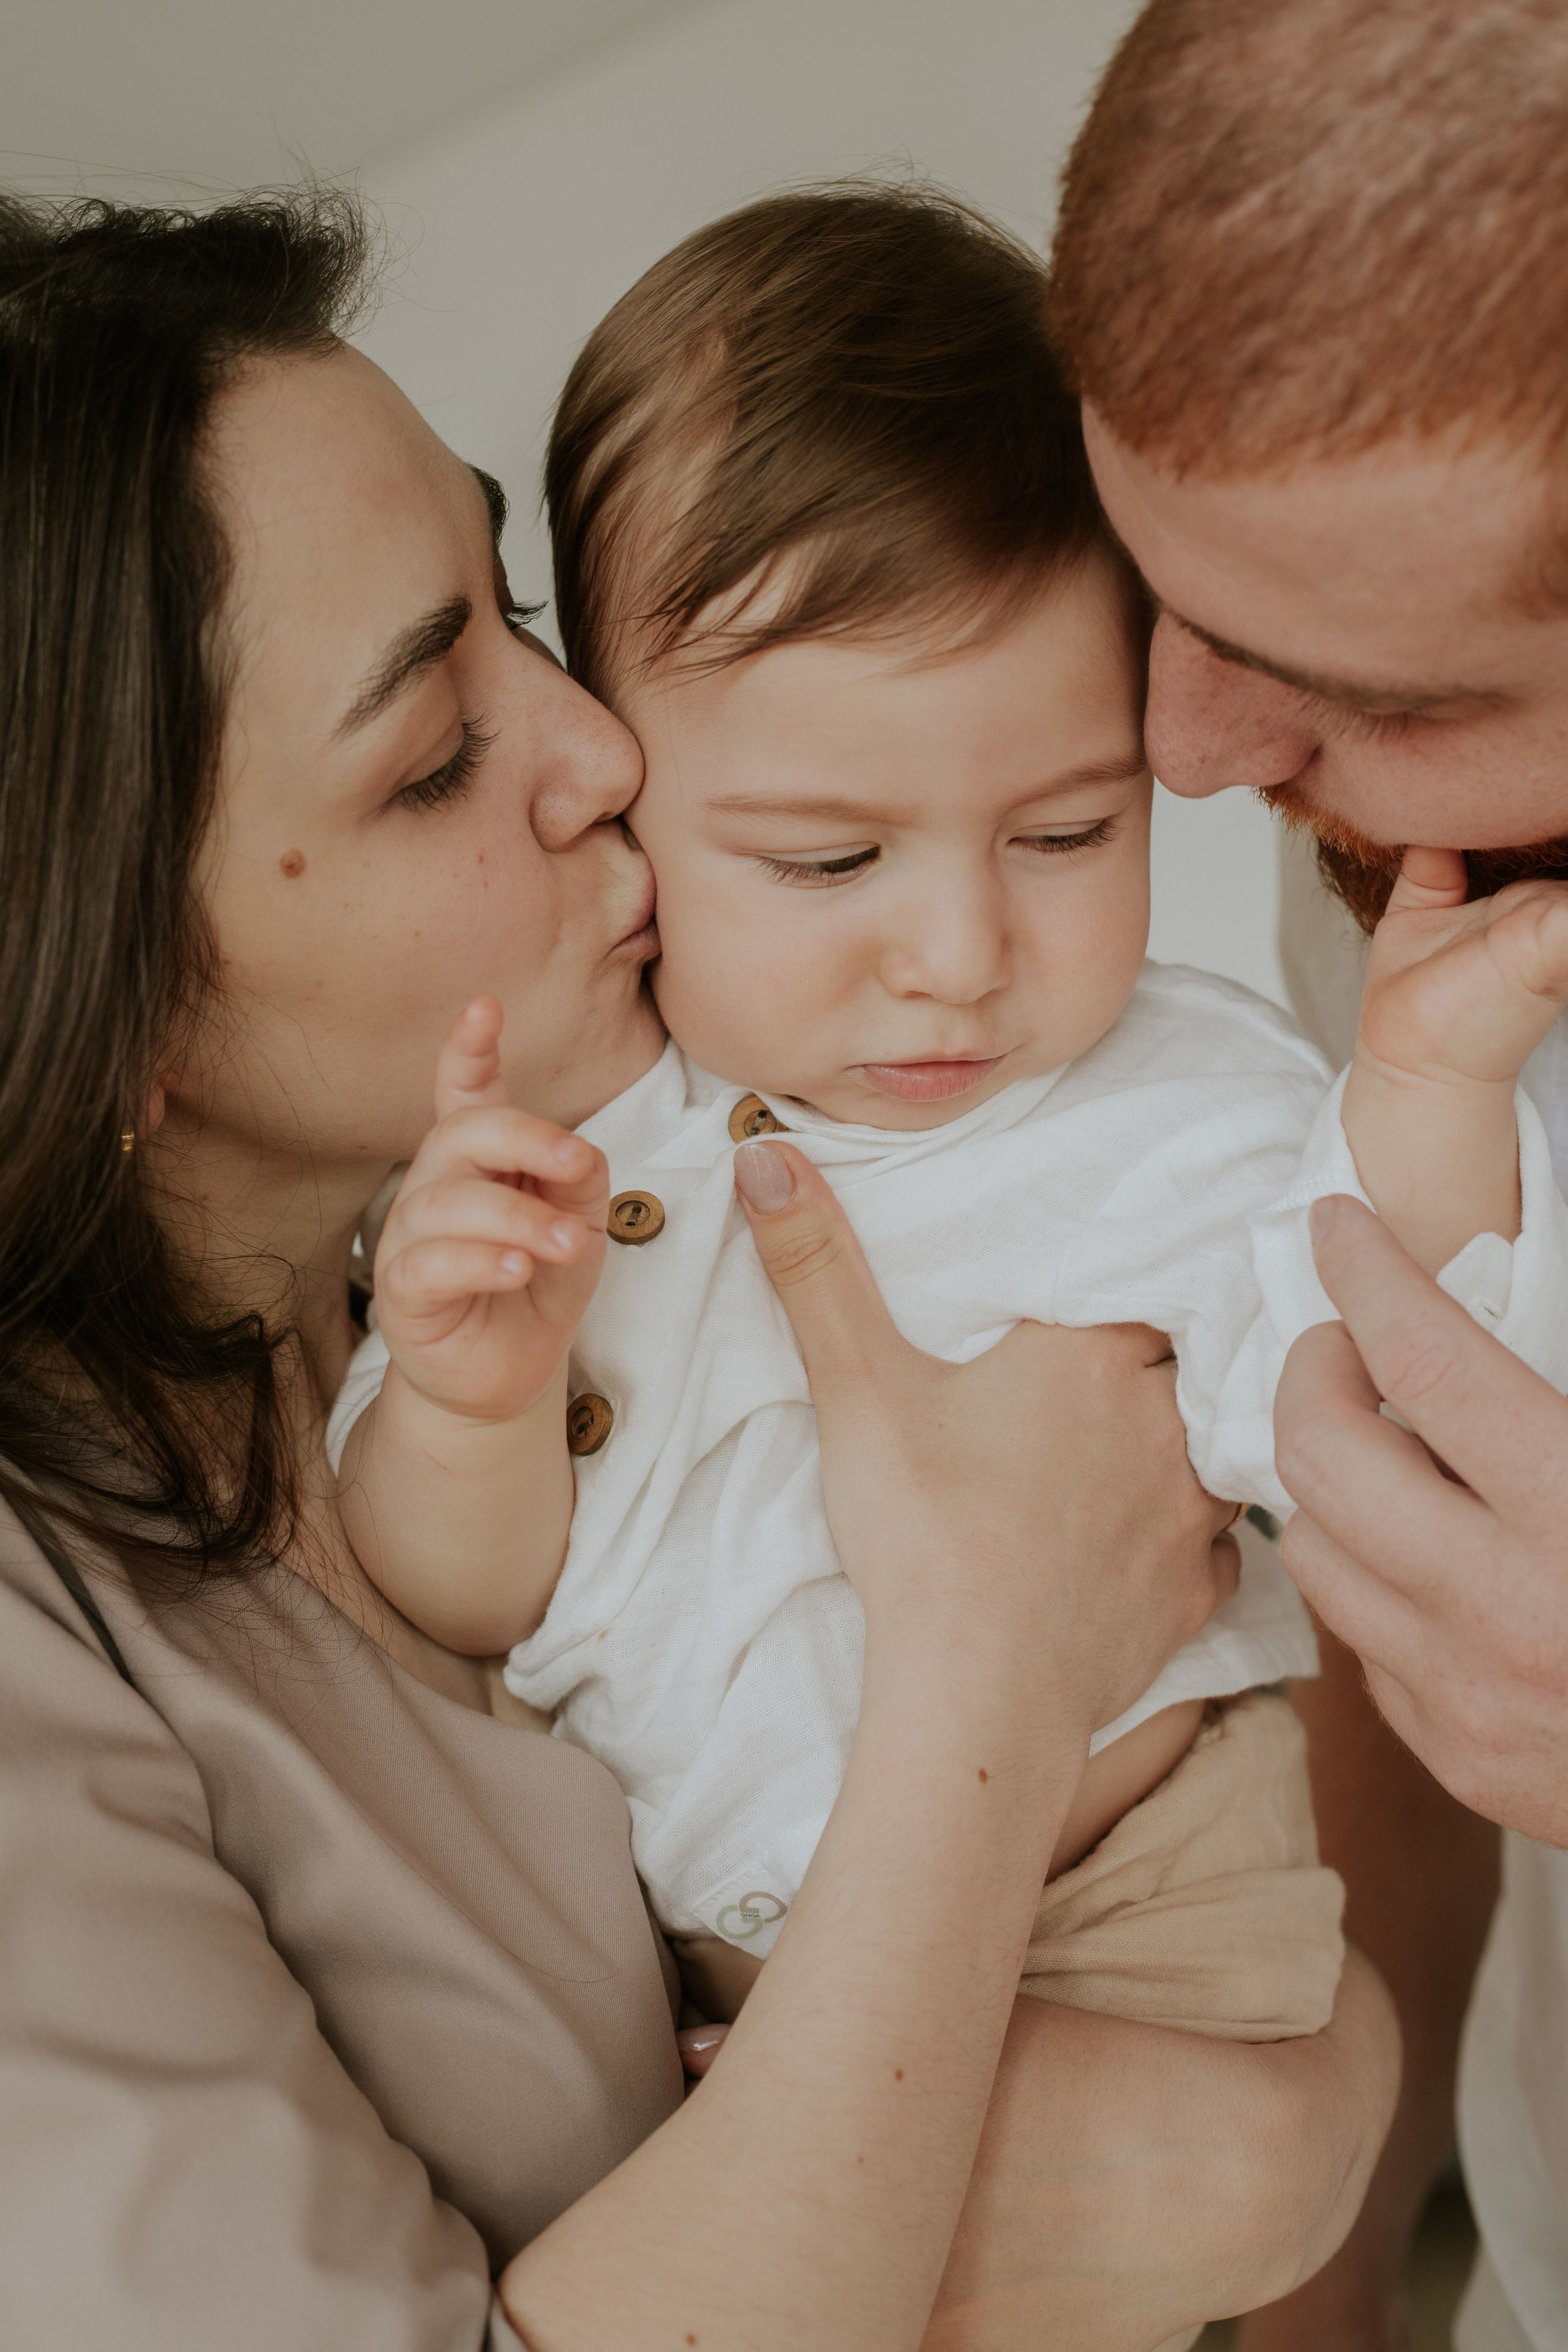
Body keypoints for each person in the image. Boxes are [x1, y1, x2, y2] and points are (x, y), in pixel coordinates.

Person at [0, 184, 1396, 2352]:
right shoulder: (52, 1645)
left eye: (515, 619)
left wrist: (1310, 2118)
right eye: (437, 755)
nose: (605, 757)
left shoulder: (484, 1232)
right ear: (107, 1000)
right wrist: (991, 1694)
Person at [331, 182, 1568, 2092]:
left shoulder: (1180, 1105)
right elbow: (469, 1597)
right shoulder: (572, 1141)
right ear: (621, 777)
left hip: (1125, 1928)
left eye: (1069, 833)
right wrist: (469, 1406)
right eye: (830, 861)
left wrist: (1422, 1090)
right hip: (689, 1963)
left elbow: (1382, 1385)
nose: (962, 960)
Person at [1048, 2, 1568, 2345]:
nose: (1182, 752)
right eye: (1169, 599)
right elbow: (1416, 1569)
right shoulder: (1404, 850)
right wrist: (1326, 2294)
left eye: (1386, 688)